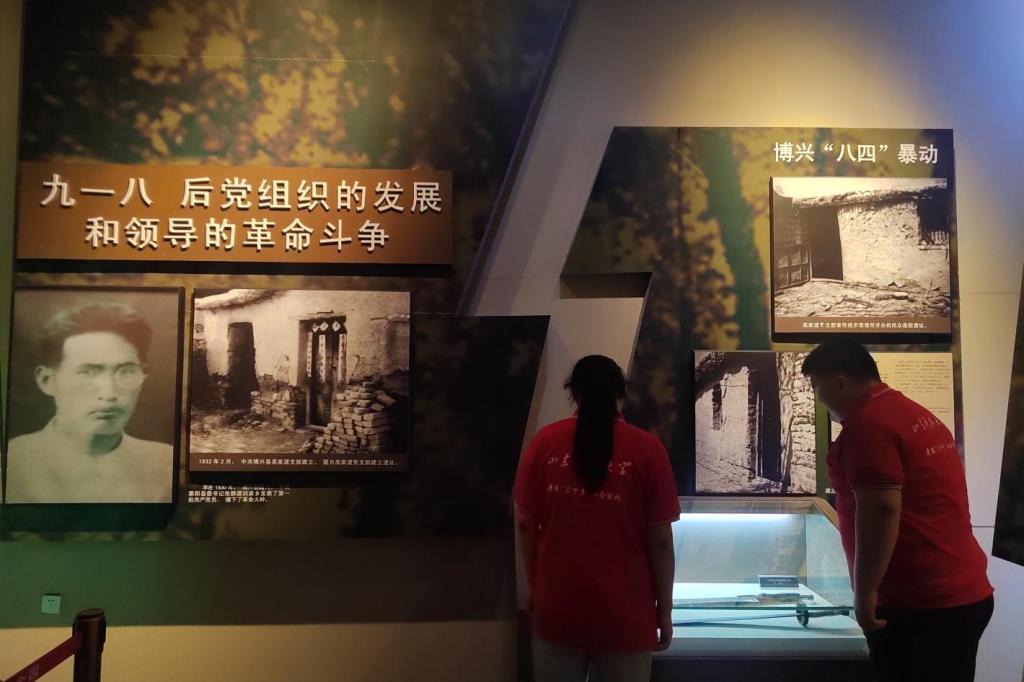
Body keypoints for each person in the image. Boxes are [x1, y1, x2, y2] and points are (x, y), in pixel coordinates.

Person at [801, 339, 993, 682]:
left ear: (839, 382)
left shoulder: (868, 425)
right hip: (959, 595)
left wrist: (865, 592)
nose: (819, 398)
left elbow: (882, 508)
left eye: (818, 387)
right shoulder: (911, 413)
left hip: (919, 605)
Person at [513, 355, 680, 682]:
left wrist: (536, 585)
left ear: (574, 394)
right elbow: (661, 541)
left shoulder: (544, 444)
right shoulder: (648, 450)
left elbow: (524, 523)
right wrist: (664, 610)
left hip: (557, 603)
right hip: (627, 613)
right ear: (620, 393)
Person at [5, 302, 174, 504]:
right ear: (47, 381)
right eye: (87, 372)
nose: (109, 393)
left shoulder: (167, 465)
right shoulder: (10, 464)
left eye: (126, 371)